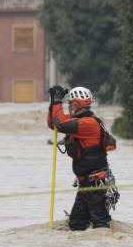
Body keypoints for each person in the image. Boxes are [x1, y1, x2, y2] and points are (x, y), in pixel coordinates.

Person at [47, 85, 117, 230]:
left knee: (101, 225)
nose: (69, 107)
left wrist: (58, 102)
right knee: (76, 225)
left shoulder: (88, 123)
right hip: (86, 184)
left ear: (78, 105)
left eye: (71, 104)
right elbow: (53, 123)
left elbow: (60, 124)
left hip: (95, 184)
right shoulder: (79, 121)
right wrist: (53, 102)